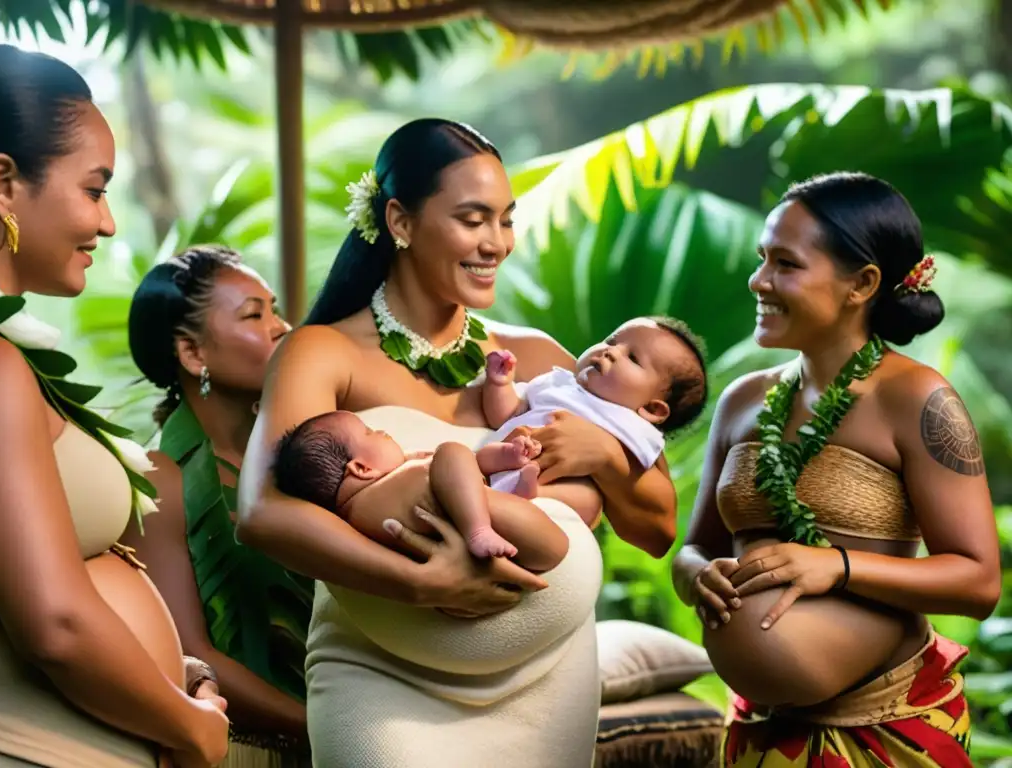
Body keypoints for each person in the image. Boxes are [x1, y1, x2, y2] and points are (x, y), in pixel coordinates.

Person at [235, 118, 678, 768]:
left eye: (506, 219)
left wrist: (603, 456)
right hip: (382, 685)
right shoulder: (322, 353)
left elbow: (658, 529)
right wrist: (418, 584)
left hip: (544, 692)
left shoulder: (543, 361)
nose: (497, 242)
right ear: (401, 221)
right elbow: (263, 515)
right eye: (474, 219)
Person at [670, 172, 1000, 767]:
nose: (759, 280)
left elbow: (978, 584)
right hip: (760, 733)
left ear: (863, 283)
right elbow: (694, 549)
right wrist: (697, 577)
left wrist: (837, 564)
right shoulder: (743, 400)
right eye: (761, 258)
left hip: (888, 724)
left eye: (785, 264)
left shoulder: (918, 398)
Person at [0, 44, 228, 767]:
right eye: (94, 190)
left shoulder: (10, 353)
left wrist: (160, 675)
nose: (110, 223)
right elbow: (54, 622)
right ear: (3, 182)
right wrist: (192, 730)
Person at [124, 245, 312, 767]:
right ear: (192, 354)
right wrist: (320, 725)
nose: (282, 327)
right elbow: (186, 653)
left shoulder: (300, 452)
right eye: (255, 314)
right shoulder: (159, 480)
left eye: (275, 308)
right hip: (242, 751)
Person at [272, 410, 569, 568]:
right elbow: (462, 461)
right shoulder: (370, 503)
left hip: (513, 524)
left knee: (459, 461)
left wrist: (506, 457)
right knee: (451, 451)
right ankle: (479, 530)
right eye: (370, 432)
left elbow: (471, 467)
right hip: (525, 535)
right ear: (362, 469)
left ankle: (513, 494)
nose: (383, 432)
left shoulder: (376, 503)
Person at [483, 316, 707, 524]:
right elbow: (505, 416)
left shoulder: (633, 428)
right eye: (611, 341)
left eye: (633, 358)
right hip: (503, 459)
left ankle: (530, 493)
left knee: (589, 500)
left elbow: (657, 506)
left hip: (549, 490)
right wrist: (499, 384)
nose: (611, 352)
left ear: (652, 409)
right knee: (459, 454)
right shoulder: (557, 383)